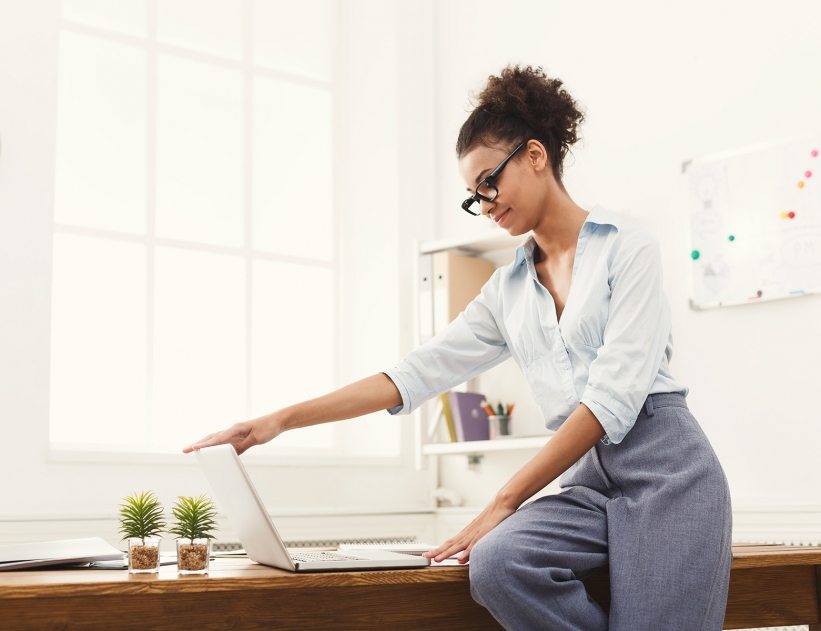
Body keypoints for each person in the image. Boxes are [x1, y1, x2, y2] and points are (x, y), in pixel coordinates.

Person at [183, 65, 732, 631]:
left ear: (536, 156)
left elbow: (611, 402)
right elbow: (413, 374)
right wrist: (277, 422)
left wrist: (502, 502)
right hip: (587, 480)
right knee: (498, 563)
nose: (485, 203)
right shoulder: (509, 290)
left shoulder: (628, 248)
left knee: (508, 540)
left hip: (668, 473)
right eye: (474, 198)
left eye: (488, 183)